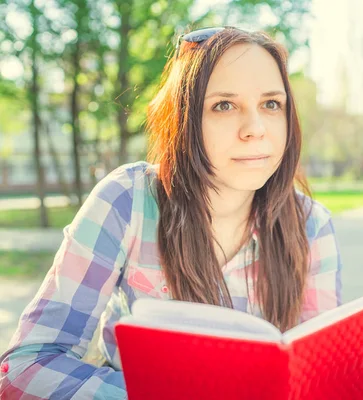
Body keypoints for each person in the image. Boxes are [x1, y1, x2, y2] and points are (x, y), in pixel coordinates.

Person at [0, 27, 343, 399]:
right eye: (224, 105)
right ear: (185, 118)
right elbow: (26, 368)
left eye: (271, 104)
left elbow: (319, 378)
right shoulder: (127, 202)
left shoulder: (311, 225)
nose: (255, 130)